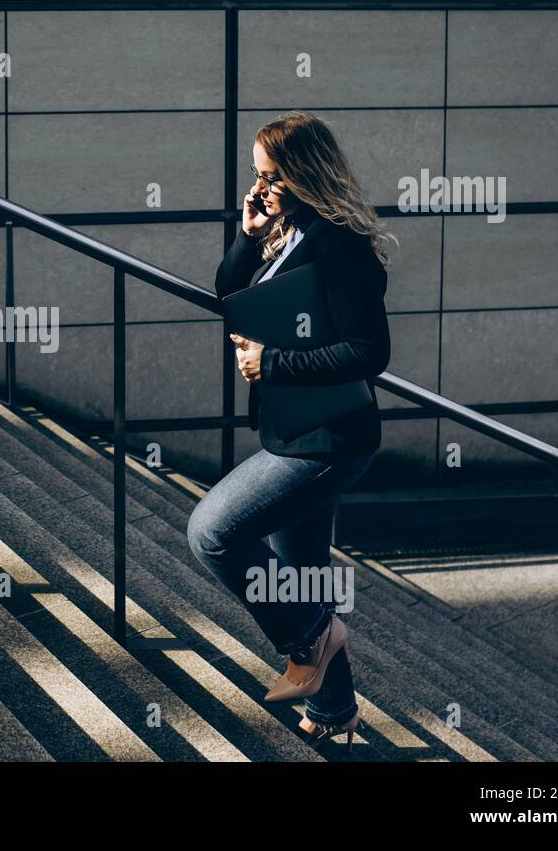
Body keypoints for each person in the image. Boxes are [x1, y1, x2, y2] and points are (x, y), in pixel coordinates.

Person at [186, 111, 396, 753]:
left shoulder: (341, 245)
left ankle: (312, 638)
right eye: (257, 176)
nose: (262, 190)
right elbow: (227, 292)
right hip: (294, 429)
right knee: (296, 574)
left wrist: (270, 363)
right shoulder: (289, 230)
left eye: (273, 178)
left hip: (330, 442)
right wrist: (250, 236)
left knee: (213, 532)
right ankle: (334, 711)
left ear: (307, 174)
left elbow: (370, 351)